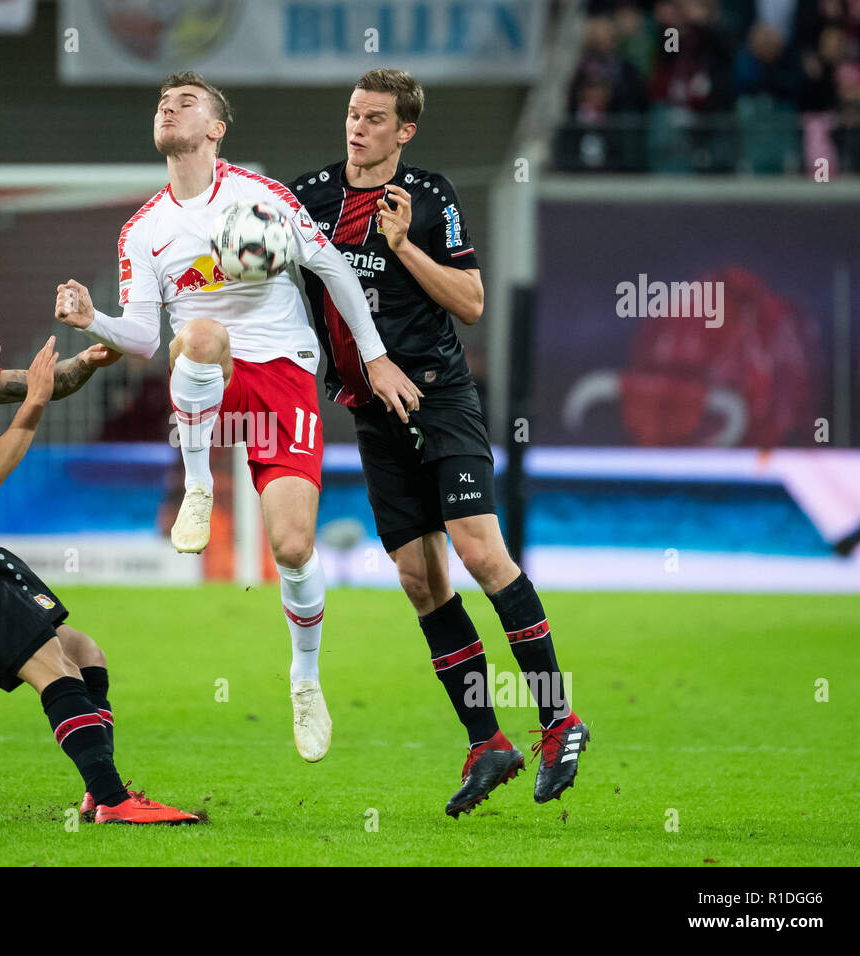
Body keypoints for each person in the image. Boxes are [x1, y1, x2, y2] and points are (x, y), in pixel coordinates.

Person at [54, 72, 421, 763]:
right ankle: (199, 485)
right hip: (210, 374)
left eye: (187, 101)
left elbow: (336, 269)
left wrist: (373, 359)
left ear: (216, 129)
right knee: (193, 333)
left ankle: (305, 678)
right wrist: (89, 319)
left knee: (290, 547)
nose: (169, 107)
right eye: (163, 101)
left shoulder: (260, 198)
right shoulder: (144, 230)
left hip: (281, 372)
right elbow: (137, 338)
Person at [288, 69, 590, 817]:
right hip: (370, 410)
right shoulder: (307, 197)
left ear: (405, 131)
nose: (358, 128)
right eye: (353, 113)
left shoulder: (430, 197)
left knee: (482, 553)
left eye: (375, 119)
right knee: (422, 581)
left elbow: (474, 302)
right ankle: (487, 741)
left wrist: (403, 247)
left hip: (436, 394)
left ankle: (559, 720)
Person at [0, 266, 197, 825]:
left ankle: (99, 791)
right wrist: (31, 405)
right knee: (54, 666)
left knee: (84, 654)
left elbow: (49, 382)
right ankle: (113, 800)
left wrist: (89, 360)